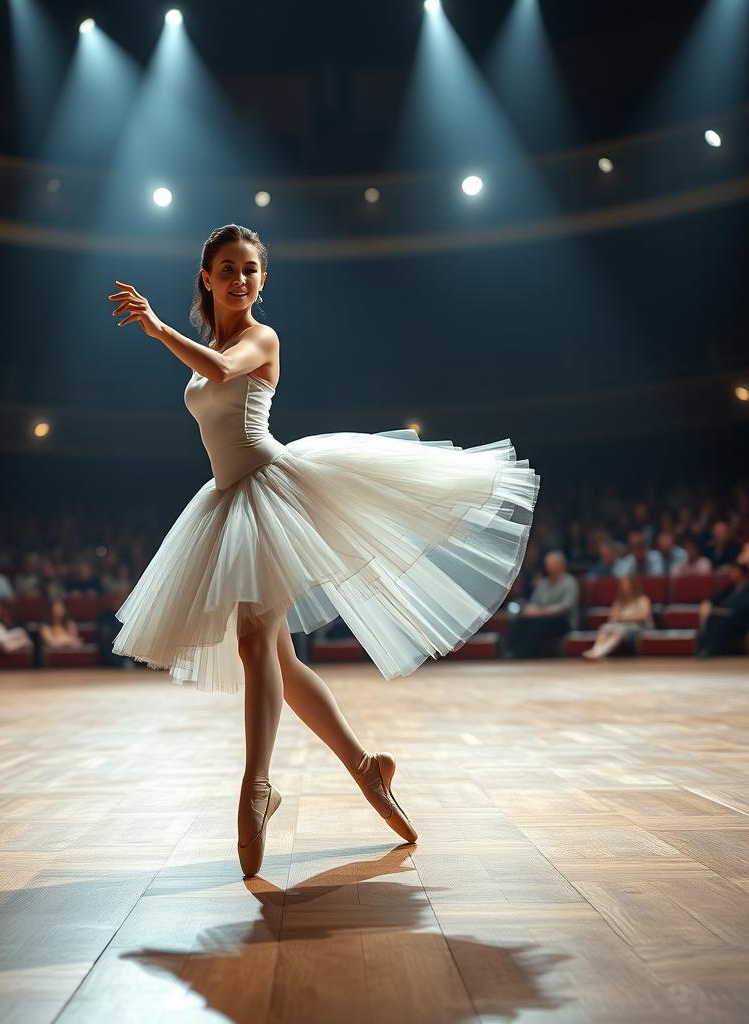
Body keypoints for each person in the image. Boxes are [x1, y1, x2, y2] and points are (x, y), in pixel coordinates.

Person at [104, 223, 540, 877]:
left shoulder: (261, 339)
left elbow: (221, 370)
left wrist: (159, 329)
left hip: (276, 495)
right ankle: (368, 769)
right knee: (277, 656)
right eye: (228, 268)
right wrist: (170, 335)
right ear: (207, 277)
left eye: (251, 269)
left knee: (254, 641)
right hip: (228, 502)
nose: (240, 279)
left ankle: (256, 787)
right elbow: (210, 370)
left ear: (262, 280)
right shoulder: (212, 340)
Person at [505, 551, 579, 658]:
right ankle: (513, 653)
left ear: (561, 565)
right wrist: (529, 610)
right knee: (519, 621)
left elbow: (566, 607)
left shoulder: (570, 582)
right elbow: (534, 603)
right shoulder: (543, 583)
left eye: (551, 564)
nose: (548, 567)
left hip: (562, 620)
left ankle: (529, 656)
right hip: (540, 617)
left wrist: (541, 612)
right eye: (547, 564)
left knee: (537, 625)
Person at [696, 562, 749, 657]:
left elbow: (745, 608)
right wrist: (708, 603)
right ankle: (705, 648)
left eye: (734, 571)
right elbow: (716, 599)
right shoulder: (731, 587)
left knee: (719, 620)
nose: (731, 573)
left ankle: (712, 650)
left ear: (742, 573)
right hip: (728, 618)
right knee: (713, 618)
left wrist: (725, 611)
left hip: (746, 619)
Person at [582, 573, 654, 659]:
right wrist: (618, 619)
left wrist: (623, 618)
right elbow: (612, 619)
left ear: (633, 585)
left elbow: (642, 617)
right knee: (605, 627)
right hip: (621, 626)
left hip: (638, 628)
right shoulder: (618, 602)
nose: (623, 587)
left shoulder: (642, 599)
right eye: (622, 584)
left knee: (619, 630)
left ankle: (601, 652)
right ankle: (595, 650)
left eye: (626, 584)